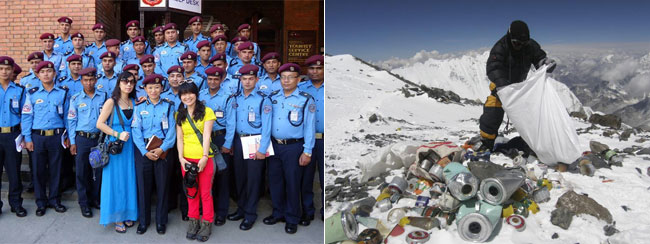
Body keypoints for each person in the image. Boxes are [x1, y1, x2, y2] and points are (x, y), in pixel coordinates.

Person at [478, 20, 556, 152]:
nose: (519, 46)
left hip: (520, 88)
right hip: (500, 87)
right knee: (493, 111)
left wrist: (544, 63)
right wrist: (503, 86)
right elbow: (493, 68)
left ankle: (533, 142)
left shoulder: (530, 46)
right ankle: (487, 142)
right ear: (509, 37)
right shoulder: (500, 47)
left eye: (523, 43)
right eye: (516, 43)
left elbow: (539, 57)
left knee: (531, 113)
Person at [266, 63, 316, 234]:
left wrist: (307, 150)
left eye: (290, 77)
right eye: (283, 77)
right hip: (274, 145)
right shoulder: (272, 97)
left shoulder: (305, 99)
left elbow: (309, 127)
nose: (286, 80)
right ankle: (278, 213)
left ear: (299, 79)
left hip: (294, 147)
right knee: (275, 182)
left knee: (293, 183)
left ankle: (292, 217)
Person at [21, 61, 70, 217]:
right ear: (38, 75)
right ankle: (41, 202)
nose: (46, 74)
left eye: (49, 71)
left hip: (56, 136)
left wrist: (68, 135)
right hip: (38, 137)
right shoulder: (32, 93)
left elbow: (68, 116)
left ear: (54, 73)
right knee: (38, 171)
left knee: (56, 170)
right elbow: (27, 117)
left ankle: (55, 200)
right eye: (43, 72)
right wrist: (27, 138)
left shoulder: (62, 92)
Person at [228, 64, 272, 231]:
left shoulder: (263, 99)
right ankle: (241, 208)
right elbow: (232, 123)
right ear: (240, 80)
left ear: (257, 80)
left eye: (250, 79)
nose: (247, 82)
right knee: (240, 178)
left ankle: (250, 214)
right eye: (244, 79)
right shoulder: (235, 98)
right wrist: (230, 142)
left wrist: (263, 148)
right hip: (239, 142)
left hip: (255, 141)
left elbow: (267, 126)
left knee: (253, 180)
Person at [132, 74, 177, 235]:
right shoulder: (139, 107)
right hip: (143, 151)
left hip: (163, 151)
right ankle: (143, 221)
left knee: (163, 186)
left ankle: (161, 221)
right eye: (150, 88)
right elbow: (136, 131)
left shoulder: (169, 106)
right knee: (143, 188)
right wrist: (144, 151)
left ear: (162, 89)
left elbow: (172, 131)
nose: (153, 90)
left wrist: (162, 149)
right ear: (144, 89)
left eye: (156, 87)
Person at [95, 72, 139, 233]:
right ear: (119, 83)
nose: (128, 85)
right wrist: (117, 134)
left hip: (131, 146)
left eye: (131, 82)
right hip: (115, 146)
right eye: (125, 81)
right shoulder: (110, 102)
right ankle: (117, 216)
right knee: (116, 182)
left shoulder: (134, 101)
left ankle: (128, 213)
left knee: (129, 180)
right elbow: (99, 123)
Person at [175, 81, 216, 241]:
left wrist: (205, 157)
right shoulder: (180, 114)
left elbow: (207, 136)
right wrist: (180, 157)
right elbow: (180, 137)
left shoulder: (207, 112)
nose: (187, 97)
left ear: (196, 94)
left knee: (205, 193)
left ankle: (207, 222)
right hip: (186, 159)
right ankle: (193, 221)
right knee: (191, 192)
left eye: (190, 93)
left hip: (204, 158)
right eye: (183, 94)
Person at [66, 67, 107, 218]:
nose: (89, 83)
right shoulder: (76, 99)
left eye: (91, 80)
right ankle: (84, 203)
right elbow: (71, 120)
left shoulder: (103, 97)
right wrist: (72, 141)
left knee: (98, 170)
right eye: (85, 80)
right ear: (81, 81)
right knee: (82, 172)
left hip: (98, 138)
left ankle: (96, 199)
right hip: (81, 139)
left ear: (96, 80)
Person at [198, 67, 235, 226]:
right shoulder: (201, 96)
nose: (212, 82)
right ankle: (207, 209)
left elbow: (232, 123)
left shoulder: (228, 97)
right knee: (206, 177)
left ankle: (221, 212)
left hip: (220, 138)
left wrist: (227, 143)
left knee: (222, 177)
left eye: (216, 79)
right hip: (203, 140)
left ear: (221, 80)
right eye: (210, 79)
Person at [298, 55, 325, 223]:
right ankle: (307, 211)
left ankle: (325, 210)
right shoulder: (300, 88)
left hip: (325, 140)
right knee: (306, 178)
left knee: (324, 177)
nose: (315, 71)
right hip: (306, 140)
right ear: (307, 71)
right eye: (312, 69)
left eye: (319, 68)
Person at [0, 56, 27, 217]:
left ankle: (16, 204)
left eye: (7, 69)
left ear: (12, 71)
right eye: (1, 69)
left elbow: (25, 115)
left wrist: (25, 136)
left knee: (14, 172)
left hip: (13, 135)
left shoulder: (19, 91)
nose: (4, 71)